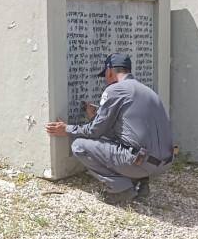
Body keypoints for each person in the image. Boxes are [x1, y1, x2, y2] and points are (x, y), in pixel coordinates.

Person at [46, 53, 173, 204]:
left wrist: (66, 129)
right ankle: (141, 183)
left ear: (109, 71)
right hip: (164, 163)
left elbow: (94, 132)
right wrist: (95, 117)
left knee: (79, 145)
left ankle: (120, 188)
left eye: (105, 75)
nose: (105, 80)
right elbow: (122, 131)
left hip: (140, 164)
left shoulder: (115, 89)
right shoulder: (147, 91)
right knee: (123, 139)